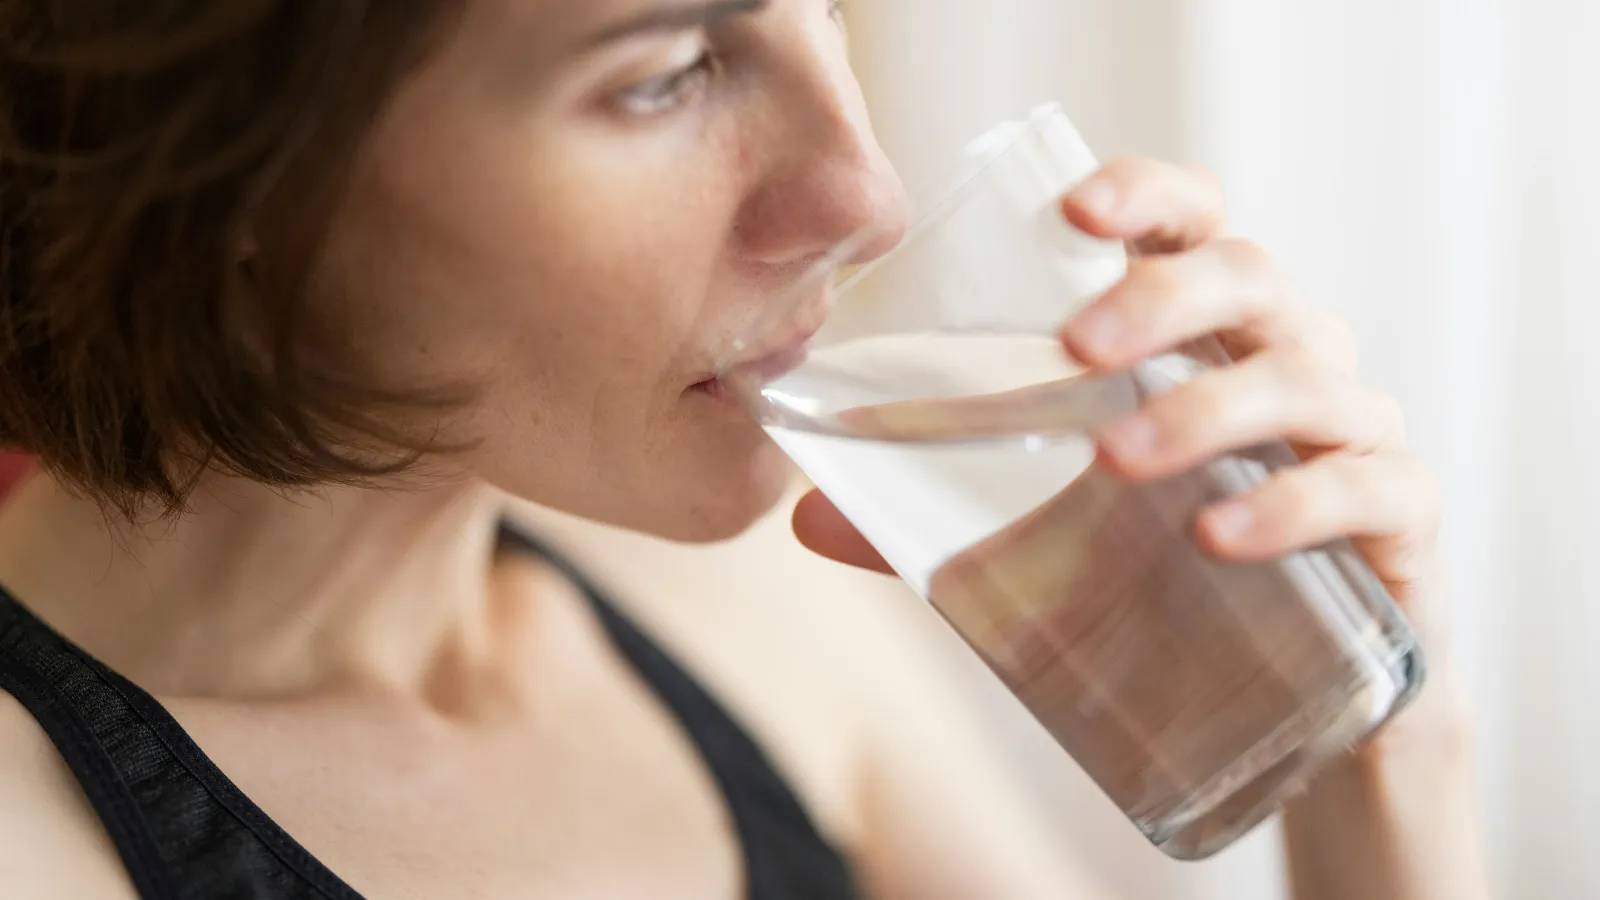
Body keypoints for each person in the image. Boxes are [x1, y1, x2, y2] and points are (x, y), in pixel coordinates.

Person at [0, 1, 1492, 898]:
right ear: (225, 163)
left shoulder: (750, 610)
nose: (868, 196)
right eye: (665, 71)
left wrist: (1384, 751)